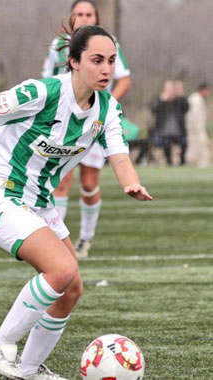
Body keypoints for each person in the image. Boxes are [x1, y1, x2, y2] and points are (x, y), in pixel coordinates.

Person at [0, 25, 152, 380]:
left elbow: (120, 155)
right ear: (73, 62)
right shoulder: (41, 92)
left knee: (72, 288)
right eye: (97, 60)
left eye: (111, 61)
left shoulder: (107, 108)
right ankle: (0, 345)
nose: (106, 69)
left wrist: (132, 184)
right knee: (61, 270)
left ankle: (30, 370)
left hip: (38, 202)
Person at [43, 0, 132, 259]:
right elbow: (47, 79)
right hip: (63, 124)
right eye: (78, 13)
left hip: (93, 123)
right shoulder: (59, 44)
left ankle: (86, 239)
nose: (83, 17)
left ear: (96, 17)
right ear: (72, 16)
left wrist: (104, 107)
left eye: (88, 14)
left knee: (89, 182)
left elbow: (124, 78)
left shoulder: (108, 42)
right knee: (60, 180)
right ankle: (55, 244)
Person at [150, 80, 189, 166]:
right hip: (164, 132)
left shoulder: (179, 101)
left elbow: (186, 107)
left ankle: (182, 161)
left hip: (178, 131)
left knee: (184, 143)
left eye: (172, 89)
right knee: (165, 143)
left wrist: (181, 93)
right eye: (168, 89)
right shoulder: (160, 100)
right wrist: (162, 99)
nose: (170, 91)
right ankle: (169, 162)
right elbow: (154, 110)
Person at [185, 82, 210, 167]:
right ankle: (197, 164)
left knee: (199, 148)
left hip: (197, 130)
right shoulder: (195, 99)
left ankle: (199, 164)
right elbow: (194, 116)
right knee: (195, 148)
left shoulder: (198, 98)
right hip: (196, 130)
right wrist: (197, 130)